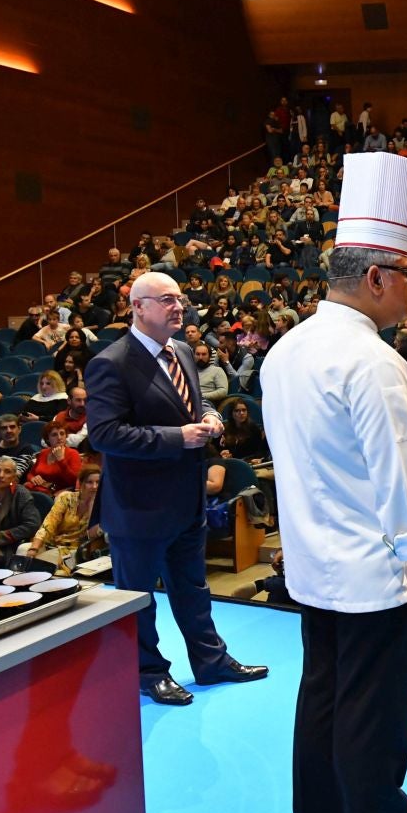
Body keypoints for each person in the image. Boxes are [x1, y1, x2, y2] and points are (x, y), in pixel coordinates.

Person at [260, 153, 407, 813]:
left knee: (322, 705)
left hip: (313, 567)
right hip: (374, 578)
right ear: (376, 276)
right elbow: (403, 487)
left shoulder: (285, 350)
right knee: (372, 728)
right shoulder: (376, 362)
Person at [87, 271, 267, 708]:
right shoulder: (111, 362)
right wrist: (177, 437)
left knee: (194, 588)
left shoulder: (182, 350)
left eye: (180, 298)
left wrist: (210, 417)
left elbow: (192, 402)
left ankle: (210, 661)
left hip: (188, 499)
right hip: (139, 508)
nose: (178, 306)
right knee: (139, 598)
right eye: (166, 300)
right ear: (139, 307)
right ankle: (148, 672)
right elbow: (105, 435)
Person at [25, 464, 105, 575]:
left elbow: (92, 536)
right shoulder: (66, 498)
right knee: (22, 550)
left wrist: (93, 506)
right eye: (90, 482)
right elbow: (49, 523)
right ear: (81, 484)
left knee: (39, 564)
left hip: (78, 550)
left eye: (98, 482)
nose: (94, 486)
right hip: (53, 543)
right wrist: (34, 548)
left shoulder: (104, 506)